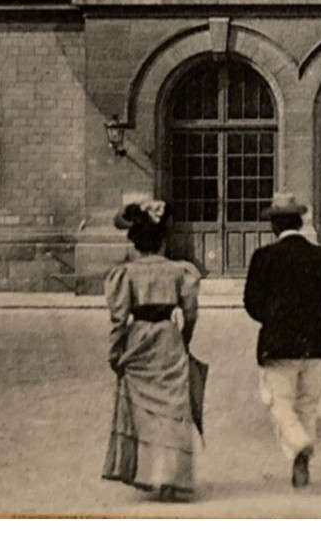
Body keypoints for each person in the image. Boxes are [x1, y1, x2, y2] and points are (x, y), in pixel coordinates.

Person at [242, 193, 321, 489]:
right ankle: (301, 461)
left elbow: (251, 303)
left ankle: (300, 444)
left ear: (274, 227)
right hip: (316, 346)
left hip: (278, 345)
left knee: (279, 403)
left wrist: (275, 318)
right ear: (301, 223)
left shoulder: (263, 257)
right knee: (307, 405)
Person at [101, 193, 202, 502]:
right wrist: (183, 339)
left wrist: (115, 352)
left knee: (144, 412)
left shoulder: (126, 274)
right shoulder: (179, 271)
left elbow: (118, 318)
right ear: (162, 242)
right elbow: (191, 312)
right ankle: (171, 477)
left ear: (135, 243)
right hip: (168, 338)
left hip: (140, 338)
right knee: (173, 409)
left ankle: (151, 474)